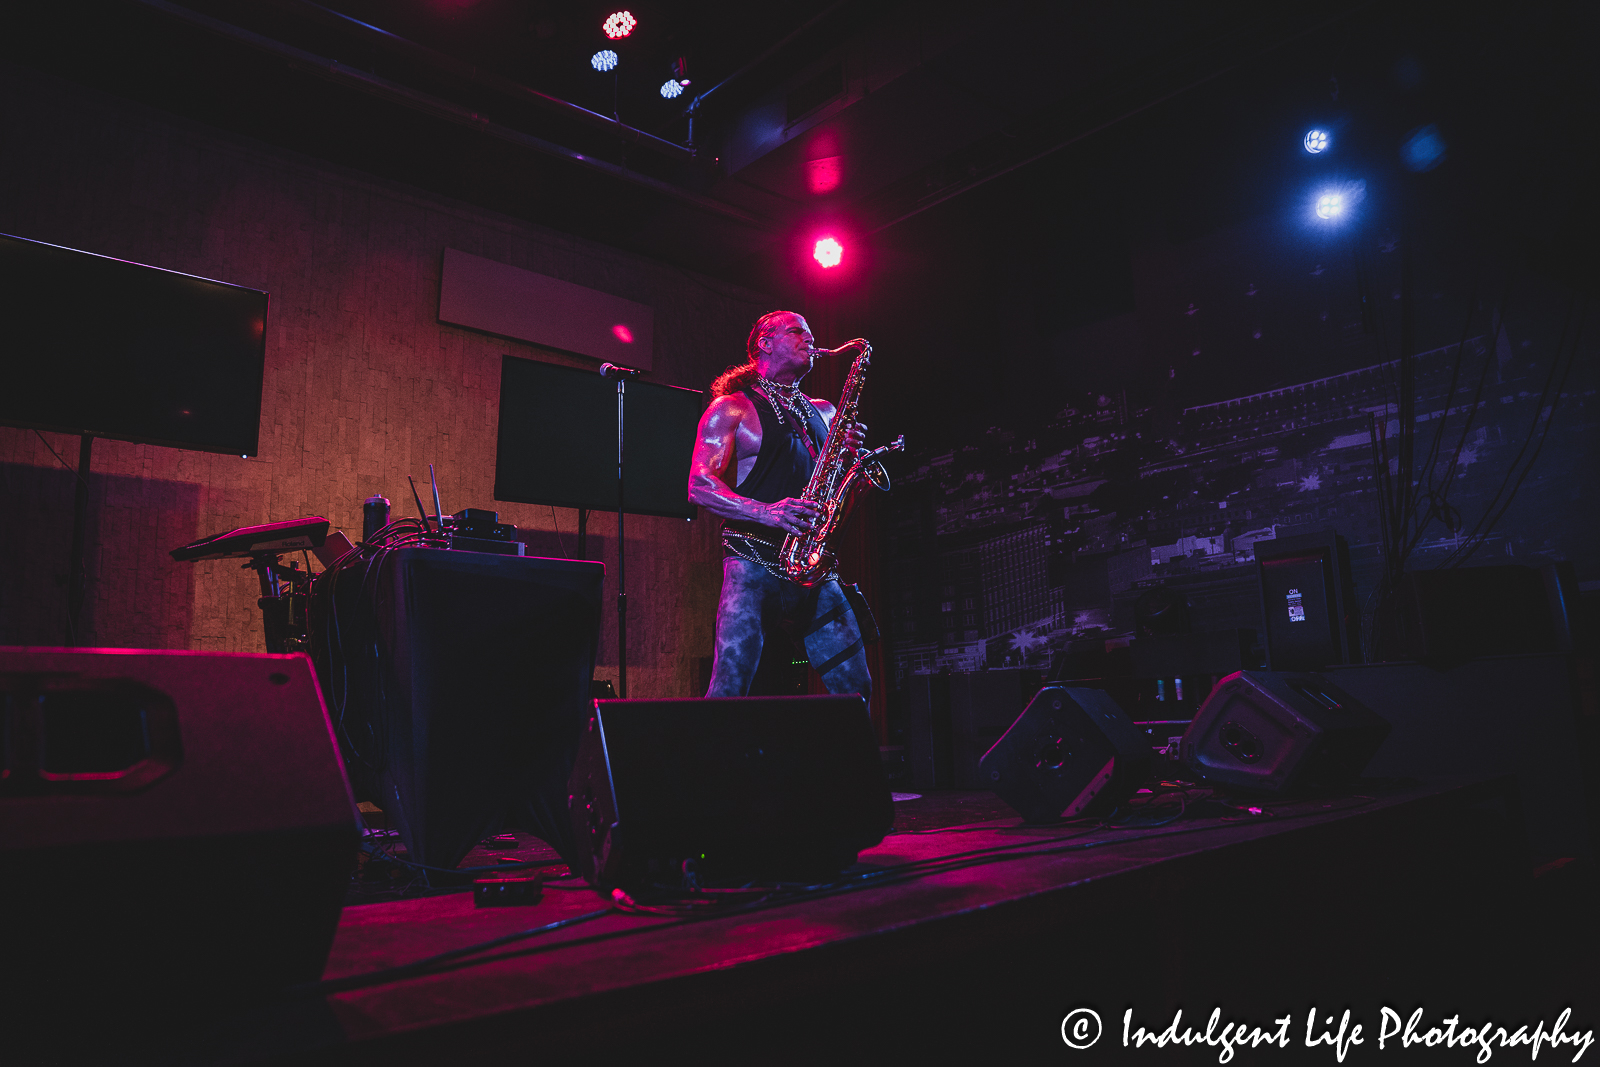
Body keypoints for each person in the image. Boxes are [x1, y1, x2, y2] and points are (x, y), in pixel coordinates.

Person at [688, 310, 872, 702]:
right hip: (752, 561)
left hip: (811, 565)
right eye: (795, 332)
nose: (809, 339)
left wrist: (850, 460)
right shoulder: (732, 408)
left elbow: (831, 487)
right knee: (730, 689)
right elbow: (699, 485)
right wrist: (765, 511)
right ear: (764, 344)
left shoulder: (824, 411)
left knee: (856, 689)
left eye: (809, 333)